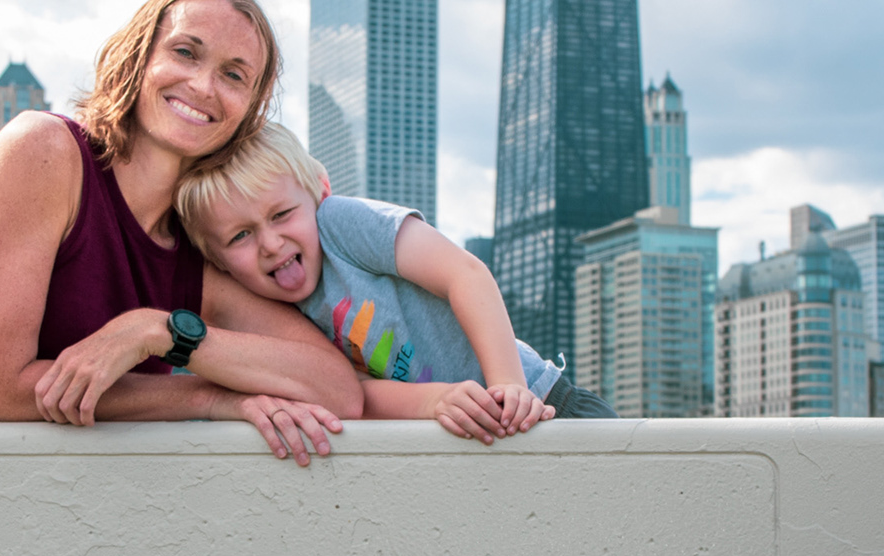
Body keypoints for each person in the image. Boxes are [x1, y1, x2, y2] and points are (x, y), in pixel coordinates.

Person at [0, 0, 362, 464]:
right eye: (185, 52)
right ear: (139, 57)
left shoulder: (199, 250)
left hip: (85, 507)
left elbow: (336, 390)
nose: (203, 86)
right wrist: (209, 398)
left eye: (234, 75)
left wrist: (156, 332)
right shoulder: (45, 153)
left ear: (250, 112)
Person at [175, 122, 618, 444]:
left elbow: (463, 274)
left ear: (320, 191)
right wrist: (434, 402)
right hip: (463, 437)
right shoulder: (269, 317)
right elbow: (354, 395)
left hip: (547, 403)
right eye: (240, 236)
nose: (271, 243)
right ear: (217, 262)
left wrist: (510, 386)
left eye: (281, 214)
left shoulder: (338, 225)